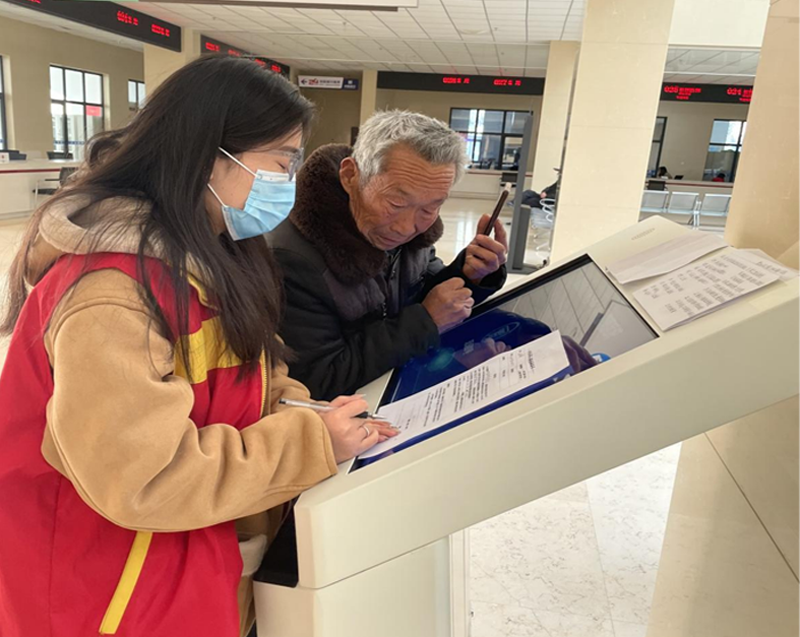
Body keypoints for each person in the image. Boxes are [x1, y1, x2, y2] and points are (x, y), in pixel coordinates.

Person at [0, 56, 395, 637]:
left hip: (183, 562)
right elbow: (144, 477)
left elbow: (252, 367)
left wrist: (304, 409)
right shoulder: (113, 292)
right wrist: (308, 444)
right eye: (281, 161)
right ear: (209, 154)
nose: (287, 180)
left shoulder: (212, 254)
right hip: (108, 591)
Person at [269, 110, 509, 401]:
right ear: (350, 176)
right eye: (395, 203)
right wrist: (423, 322)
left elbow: (425, 292)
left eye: (429, 208)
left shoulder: (416, 237)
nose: (406, 228)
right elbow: (317, 379)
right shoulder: (292, 259)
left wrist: (471, 275)